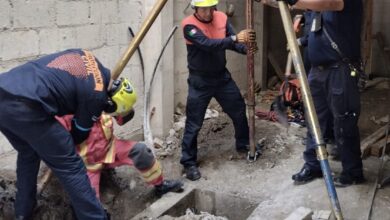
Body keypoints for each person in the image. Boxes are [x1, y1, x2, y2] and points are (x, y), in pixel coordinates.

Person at [0, 49, 135, 219]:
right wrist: (59, 149)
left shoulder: (90, 58)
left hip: (4, 95)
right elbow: (78, 134)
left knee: (28, 154)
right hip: (27, 106)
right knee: (71, 165)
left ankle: (22, 213)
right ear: (111, 104)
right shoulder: (97, 97)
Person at [260, 0, 365, 187]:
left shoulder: (332, 2)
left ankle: (353, 172)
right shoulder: (316, 9)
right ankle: (313, 165)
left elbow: (332, 3)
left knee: (344, 121)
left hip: (340, 70)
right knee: (314, 119)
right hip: (317, 71)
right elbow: (288, 5)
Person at [180, 0, 257, 181]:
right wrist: (236, 38)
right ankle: (189, 162)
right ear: (195, 8)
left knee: (238, 111)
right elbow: (207, 44)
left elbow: (231, 43)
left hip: (221, 78)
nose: (208, 13)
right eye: (203, 9)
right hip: (200, 81)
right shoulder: (189, 26)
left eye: (210, 8)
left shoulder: (221, 18)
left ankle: (243, 143)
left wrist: (246, 48)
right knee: (194, 123)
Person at [56, 111, 183, 201]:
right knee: (89, 202)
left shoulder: (96, 95)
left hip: (110, 148)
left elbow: (121, 118)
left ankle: (160, 186)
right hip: (88, 163)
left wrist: (123, 109)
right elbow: (59, 142)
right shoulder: (63, 110)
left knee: (140, 151)